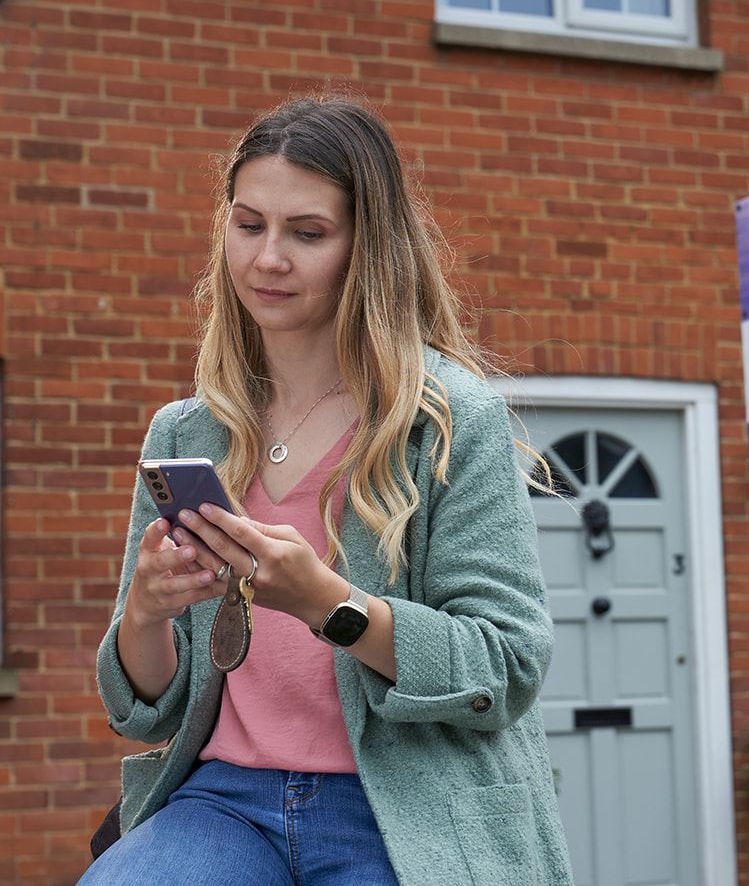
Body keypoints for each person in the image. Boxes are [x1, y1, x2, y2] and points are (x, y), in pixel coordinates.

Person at [83, 94, 574, 885]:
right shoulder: (186, 433)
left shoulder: (446, 421)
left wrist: (329, 606)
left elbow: (505, 663)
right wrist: (145, 610)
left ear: (367, 248)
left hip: (407, 807)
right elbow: (146, 706)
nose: (267, 258)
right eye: (249, 225)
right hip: (225, 803)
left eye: (306, 234)